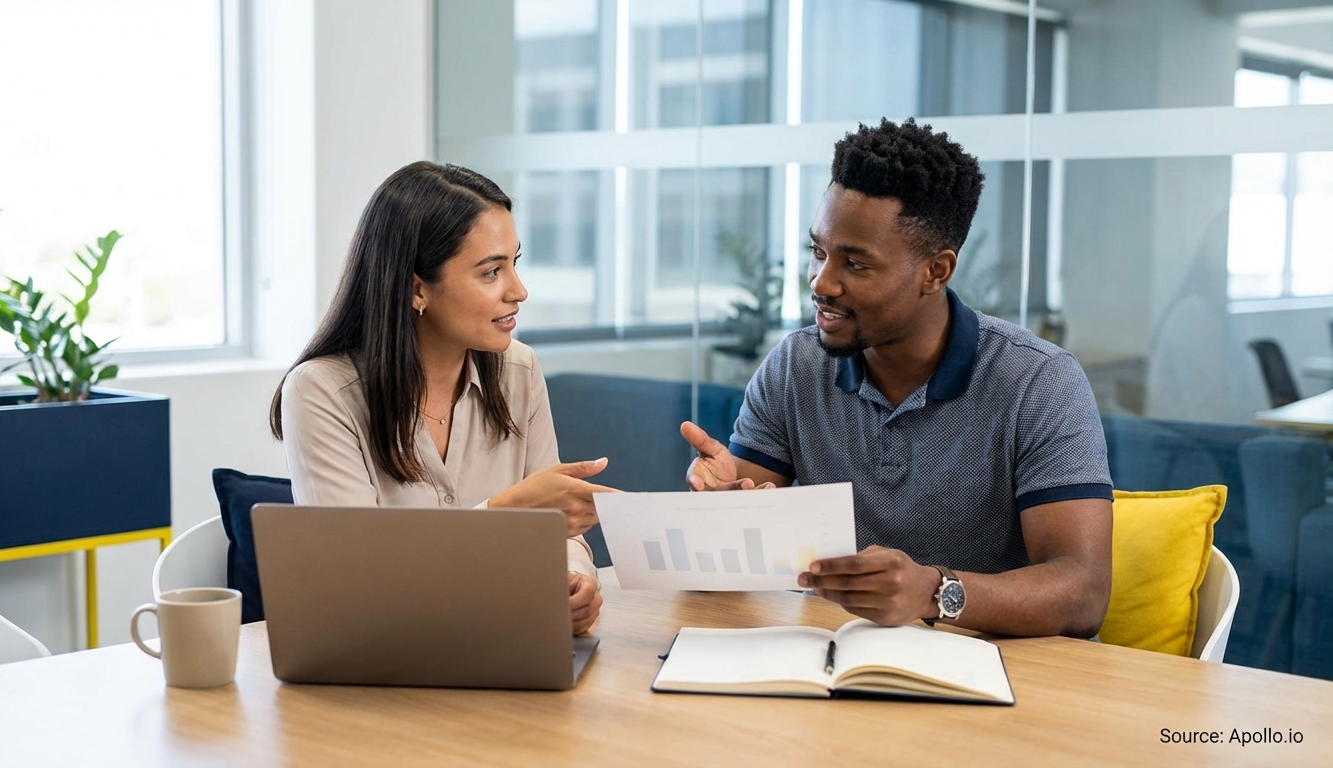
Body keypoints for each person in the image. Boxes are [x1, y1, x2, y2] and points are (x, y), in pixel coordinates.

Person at [682, 119, 1114, 639]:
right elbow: (725, 559)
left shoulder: (1039, 382)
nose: (822, 283)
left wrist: (932, 592)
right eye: (819, 252)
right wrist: (717, 509)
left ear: (936, 271)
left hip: (1000, 679)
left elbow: (1083, 593)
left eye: (856, 264)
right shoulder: (796, 367)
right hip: (835, 663)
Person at [270, 161, 609, 634]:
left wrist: (575, 581)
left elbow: (557, 531)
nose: (519, 291)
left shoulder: (520, 371)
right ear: (416, 289)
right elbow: (355, 583)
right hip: (385, 662)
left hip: (501, 637)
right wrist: (503, 516)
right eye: (491, 272)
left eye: (515, 263)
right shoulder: (321, 392)